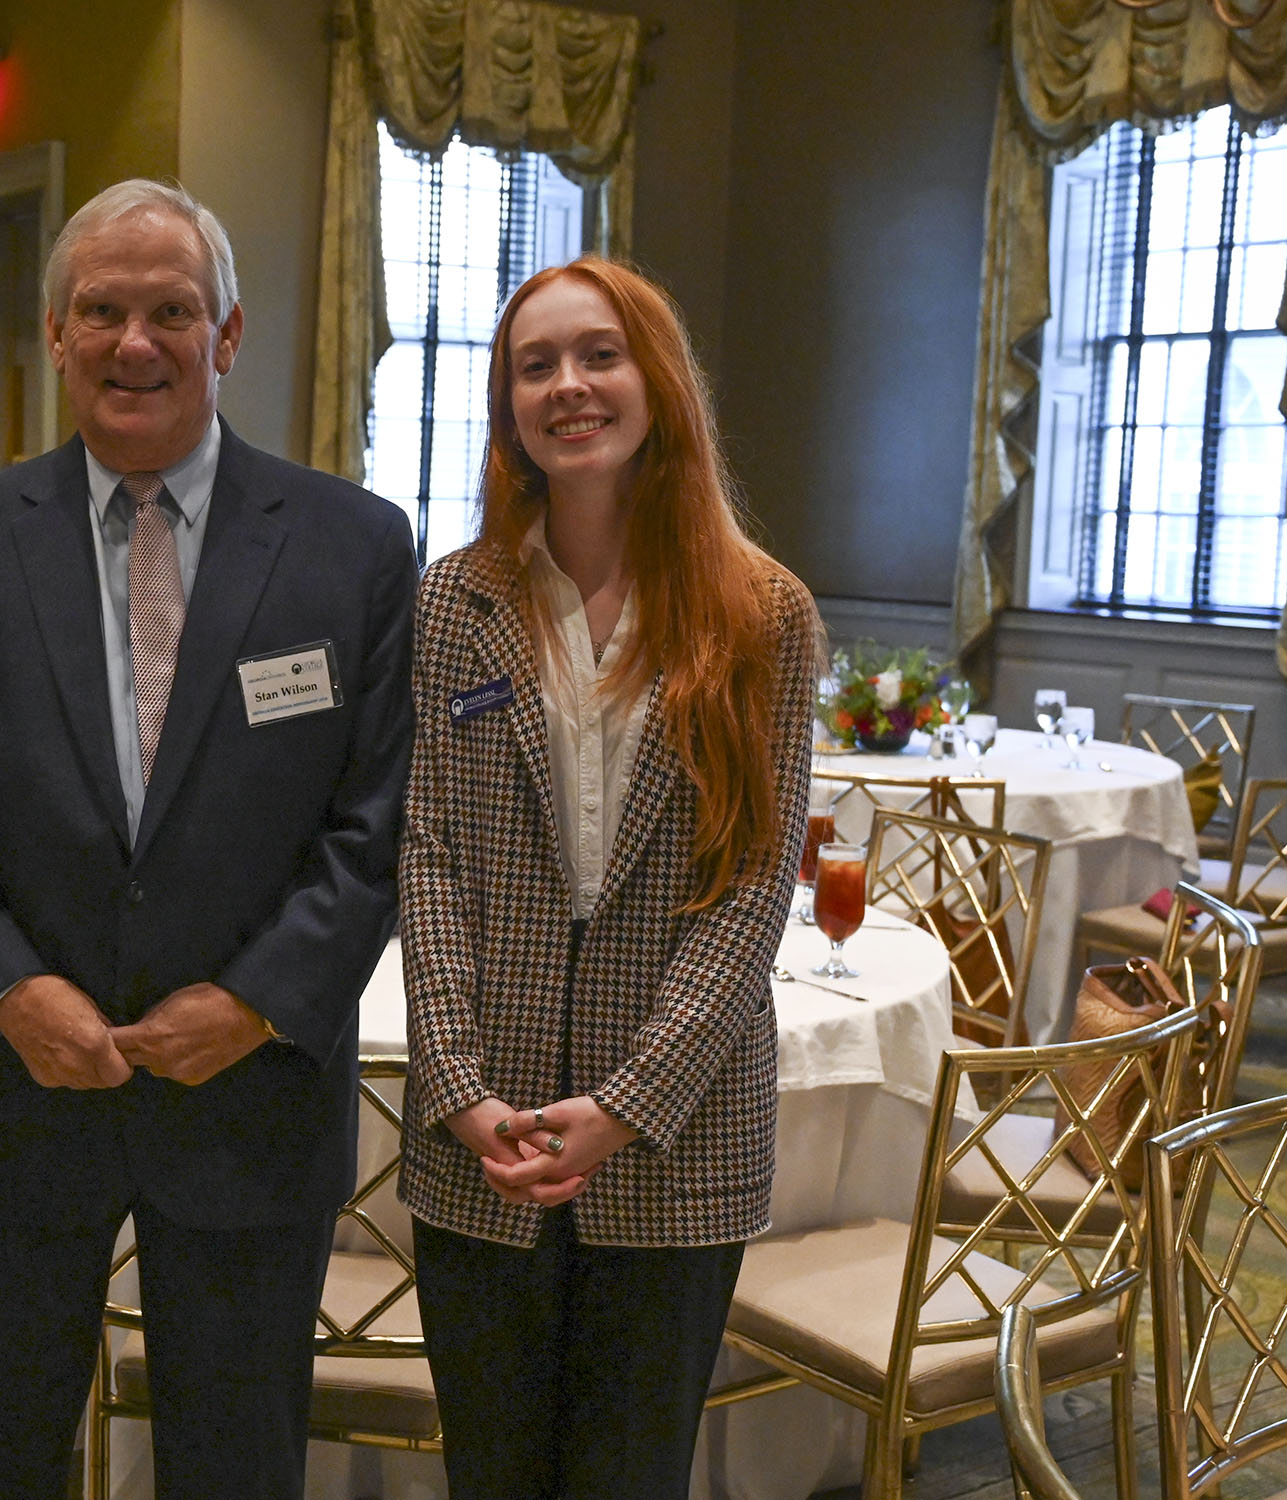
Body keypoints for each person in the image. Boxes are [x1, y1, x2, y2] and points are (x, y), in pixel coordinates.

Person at [0, 180, 415, 1499]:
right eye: (102, 311)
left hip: (250, 1096)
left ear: (227, 338)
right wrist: (7, 991)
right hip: (19, 1093)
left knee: (235, 1460)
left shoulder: (355, 543)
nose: (135, 343)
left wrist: (252, 1002)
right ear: (54, 334)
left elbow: (379, 824)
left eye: (172, 311)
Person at [399, 256, 818, 1498]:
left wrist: (631, 1102)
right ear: (508, 405)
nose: (568, 386)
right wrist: (460, 1085)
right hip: (485, 1143)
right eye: (536, 366)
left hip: (677, 1144)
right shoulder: (456, 603)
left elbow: (751, 893)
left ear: (658, 381)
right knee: (495, 1474)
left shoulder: (764, 614)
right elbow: (426, 857)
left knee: (628, 1479)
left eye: (599, 355)